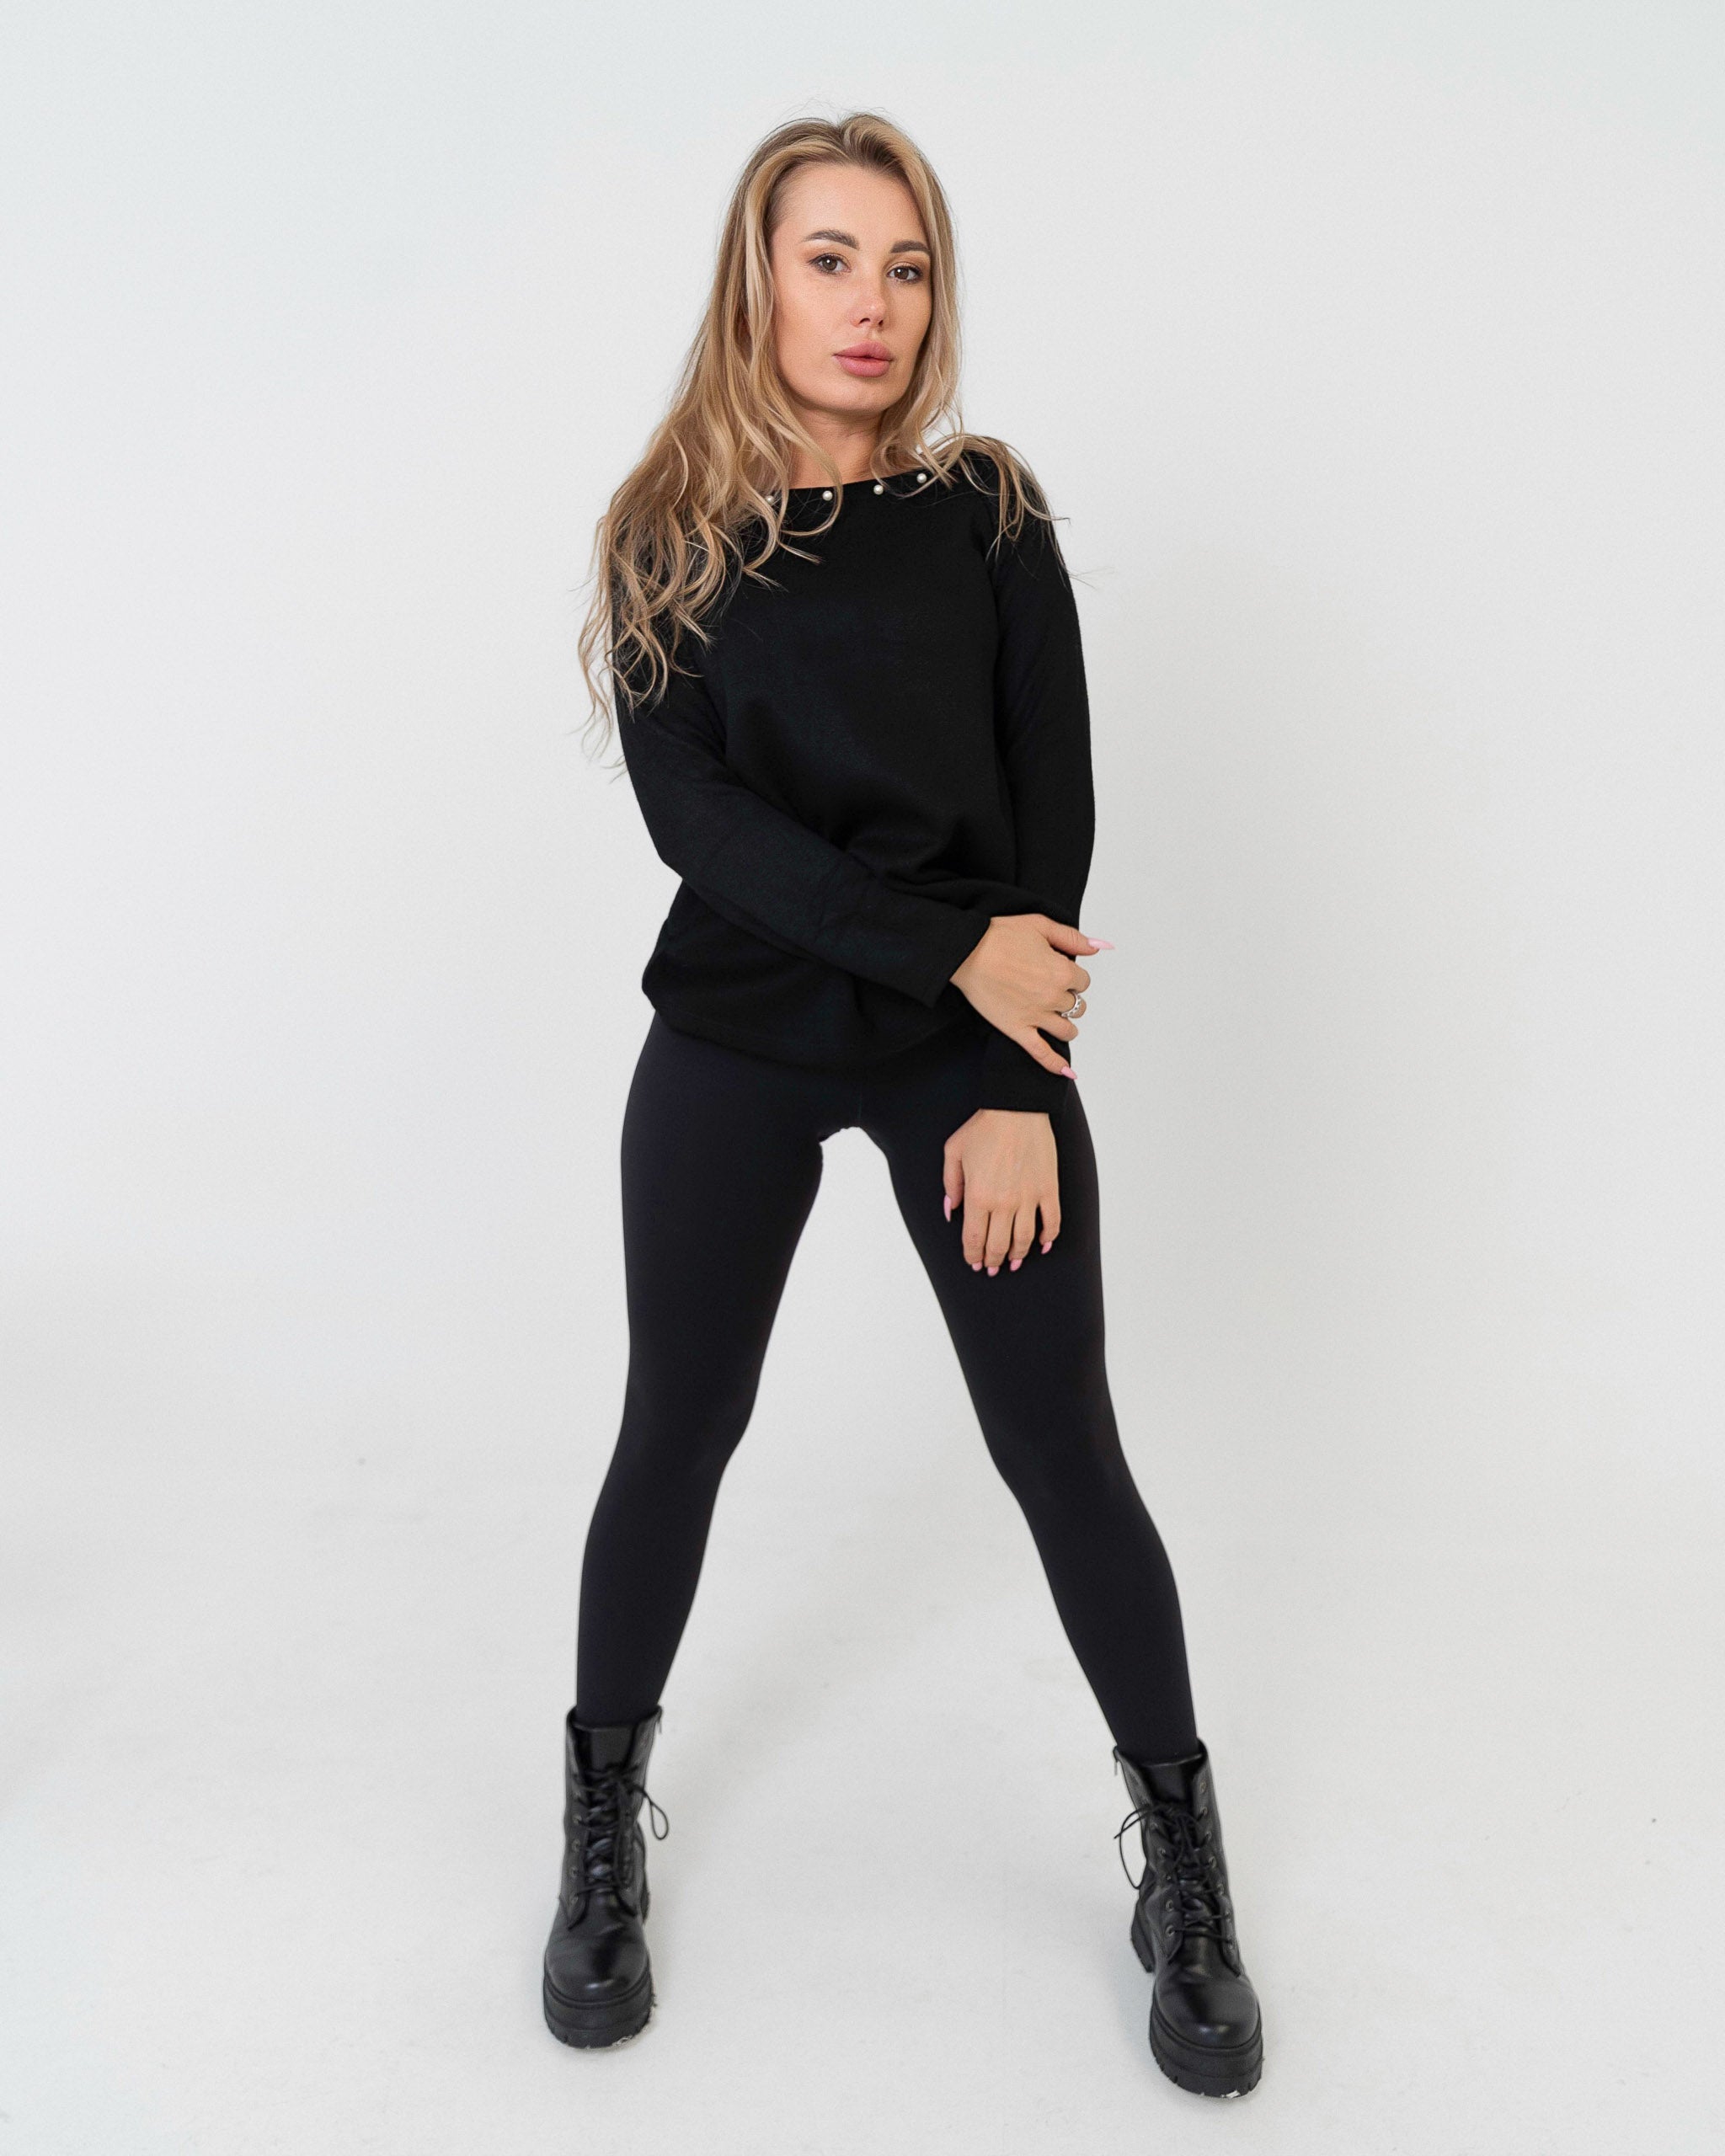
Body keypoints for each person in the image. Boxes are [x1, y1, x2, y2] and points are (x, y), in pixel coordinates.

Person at [543, 111, 1263, 2100]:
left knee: (1061, 1445)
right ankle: (598, 1825)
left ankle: (1183, 1861)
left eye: (908, 263)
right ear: (758, 282)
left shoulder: (989, 518)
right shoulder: (666, 539)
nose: (872, 303)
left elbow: (1054, 812)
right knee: (677, 1425)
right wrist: (950, 954)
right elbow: (706, 834)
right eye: (831, 258)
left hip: (972, 1056)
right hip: (741, 1031)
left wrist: (1018, 1070)